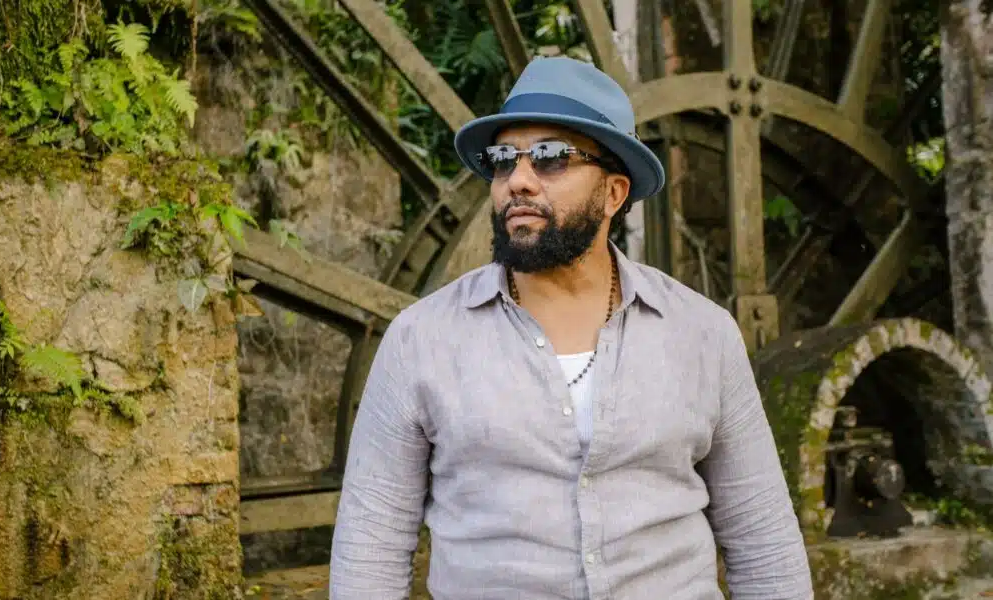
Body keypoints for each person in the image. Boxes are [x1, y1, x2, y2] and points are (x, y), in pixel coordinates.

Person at [329, 56, 813, 599]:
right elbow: (369, 550)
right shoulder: (420, 341)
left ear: (613, 194)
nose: (519, 181)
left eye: (552, 158)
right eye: (502, 161)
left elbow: (764, 542)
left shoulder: (702, 335)